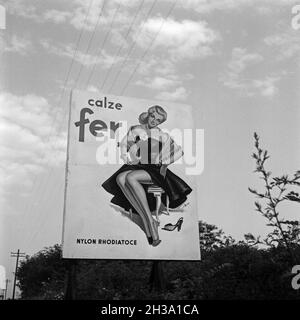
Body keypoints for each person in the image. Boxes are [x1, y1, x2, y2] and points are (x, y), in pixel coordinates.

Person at [102, 105, 192, 247]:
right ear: (148, 115)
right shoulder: (136, 129)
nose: (154, 121)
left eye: (158, 120)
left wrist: (165, 162)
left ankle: (149, 222)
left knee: (131, 178)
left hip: (155, 170)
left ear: (161, 122)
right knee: (120, 178)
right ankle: (149, 219)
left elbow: (180, 152)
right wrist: (127, 157)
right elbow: (125, 144)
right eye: (153, 117)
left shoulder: (163, 136)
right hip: (138, 165)